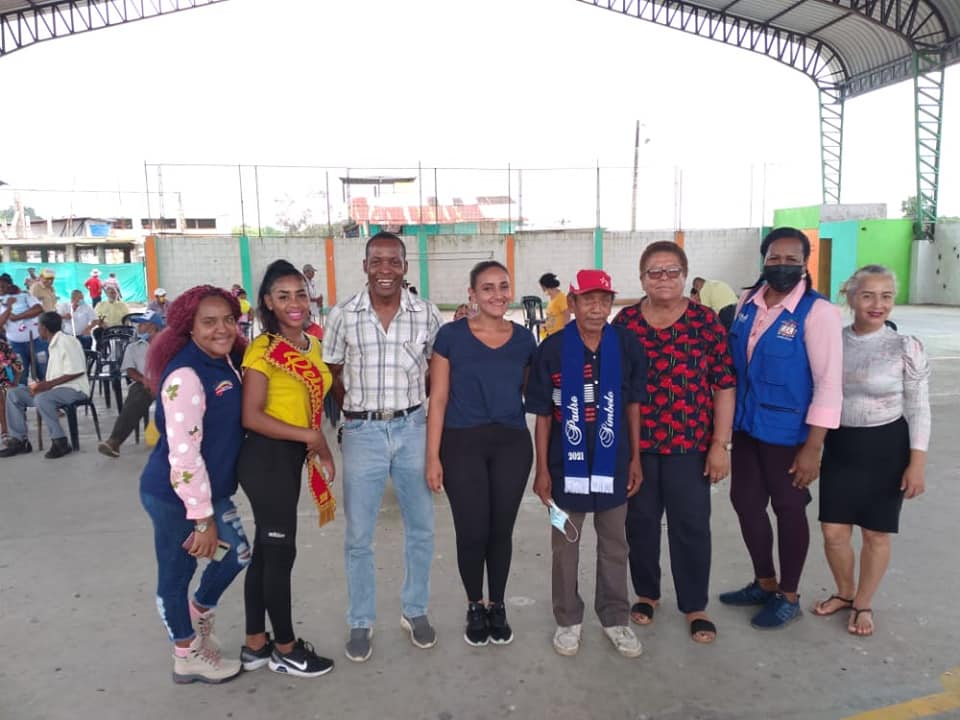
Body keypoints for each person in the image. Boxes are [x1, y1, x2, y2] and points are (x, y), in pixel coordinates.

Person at [323, 231, 442, 663]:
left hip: (413, 428)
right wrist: (355, 414)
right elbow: (332, 370)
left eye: (394, 261)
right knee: (359, 534)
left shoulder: (427, 314)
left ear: (405, 267)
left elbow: (436, 370)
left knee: (422, 527)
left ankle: (415, 610)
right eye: (377, 261)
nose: (385, 270)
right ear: (365, 266)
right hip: (363, 433)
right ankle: (361, 620)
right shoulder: (343, 315)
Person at [719, 227, 843, 629]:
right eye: (774, 258)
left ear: (805, 263)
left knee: (788, 508)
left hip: (789, 434)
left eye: (792, 259)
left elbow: (829, 384)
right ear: (764, 260)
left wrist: (813, 447)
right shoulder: (748, 302)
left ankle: (788, 595)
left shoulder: (818, 313)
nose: (782, 265)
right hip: (747, 426)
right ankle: (764, 582)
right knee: (745, 502)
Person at [613, 241, 736, 644]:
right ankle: (646, 593)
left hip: (691, 446)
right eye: (654, 271)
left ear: (685, 276)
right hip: (638, 447)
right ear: (642, 278)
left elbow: (724, 384)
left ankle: (695, 605)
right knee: (640, 524)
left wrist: (720, 445)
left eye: (672, 271)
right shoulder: (626, 323)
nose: (663, 278)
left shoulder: (705, 322)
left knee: (691, 526)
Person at [527, 269, 646, 659]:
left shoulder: (626, 345)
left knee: (615, 544)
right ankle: (568, 620)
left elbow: (633, 405)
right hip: (564, 468)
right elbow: (543, 415)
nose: (597, 308)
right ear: (573, 303)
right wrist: (542, 470)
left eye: (604, 300)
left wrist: (635, 459)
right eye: (588, 300)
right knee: (565, 546)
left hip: (614, 465)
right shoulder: (552, 349)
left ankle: (615, 618)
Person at [139, 284, 250, 684]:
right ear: (189, 327)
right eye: (209, 322)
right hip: (174, 497)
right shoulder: (186, 375)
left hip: (211, 491)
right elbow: (184, 457)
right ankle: (186, 654)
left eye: (228, 320)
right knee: (177, 571)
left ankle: (198, 613)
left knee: (236, 553)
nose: (222, 329)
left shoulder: (226, 360)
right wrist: (203, 520)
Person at [813, 265, 930, 637]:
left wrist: (917, 463)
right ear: (850, 298)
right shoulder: (833, 342)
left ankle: (863, 603)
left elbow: (919, 407)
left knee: (876, 533)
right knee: (833, 531)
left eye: (886, 296)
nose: (877, 304)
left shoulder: (905, 346)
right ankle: (845, 592)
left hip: (886, 447)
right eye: (867, 295)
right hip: (840, 445)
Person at [426, 260, 536, 647]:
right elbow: (438, 399)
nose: (497, 294)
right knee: (472, 531)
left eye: (503, 286)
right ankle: (475, 603)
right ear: (472, 294)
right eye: (487, 288)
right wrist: (432, 456)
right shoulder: (450, 336)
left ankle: (497, 604)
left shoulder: (525, 340)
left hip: (511, 444)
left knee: (500, 530)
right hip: (461, 443)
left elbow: (531, 394)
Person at [238, 259, 337, 679]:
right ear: (267, 302)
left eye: (300, 294)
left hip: (290, 457)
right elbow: (251, 416)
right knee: (280, 554)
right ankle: (286, 648)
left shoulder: (312, 345)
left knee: (266, 552)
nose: (295, 303)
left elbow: (311, 407)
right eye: (283, 296)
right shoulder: (263, 350)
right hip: (265, 459)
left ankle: (255, 644)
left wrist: (317, 445)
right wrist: (311, 438)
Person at [0, 311, 88, 459]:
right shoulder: (53, 344)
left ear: (44, 328)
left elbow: (77, 370)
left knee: (43, 398)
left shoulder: (67, 341)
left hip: (74, 390)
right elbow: (55, 376)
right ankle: (20, 441)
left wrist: (47, 385)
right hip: (55, 389)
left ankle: (60, 441)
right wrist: (41, 385)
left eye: (38, 326)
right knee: (14, 394)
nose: (37, 330)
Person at [97, 310, 164, 458]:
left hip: (169, 383)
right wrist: (145, 380)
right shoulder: (133, 347)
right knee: (137, 394)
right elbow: (130, 370)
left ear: (152, 326)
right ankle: (114, 442)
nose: (138, 327)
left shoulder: (168, 345)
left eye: (141, 324)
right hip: (145, 384)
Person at [0, 272, 45, 383]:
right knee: (20, 375)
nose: (1, 289)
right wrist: (9, 307)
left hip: (37, 340)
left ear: (10, 285)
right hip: (15, 344)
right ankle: (23, 394)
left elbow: (38, 309)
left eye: (3, 286)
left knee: (43, 370)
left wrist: (17, 317)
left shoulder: (25, 296)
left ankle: (45, 392)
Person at [0, 334, 25, 446]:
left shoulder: (3, 346)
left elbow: (18, 366)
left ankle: (5, 430)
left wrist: (15, 382)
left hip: (5, 382)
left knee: (3, 393)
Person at [539, 272, 570, 339]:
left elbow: (567, 314)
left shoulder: (561, 298)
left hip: (559, 336)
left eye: (543, 288)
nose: (543, 290)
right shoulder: (552, 298)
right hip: (551, 335)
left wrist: (566, 332)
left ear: (547, 286)